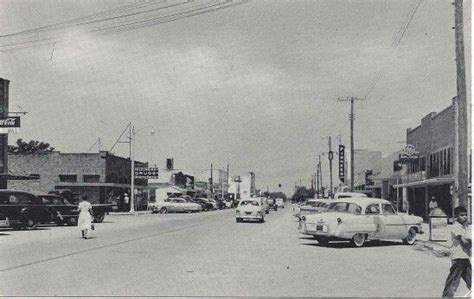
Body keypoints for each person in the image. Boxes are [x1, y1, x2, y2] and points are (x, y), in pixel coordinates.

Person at [442, 206, 471, 297]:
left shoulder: (463, 227)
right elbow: (464, 242)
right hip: (458, 257)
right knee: (453, 281)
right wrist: (470, 242)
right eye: (462, 215)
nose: (465, 217)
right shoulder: (456, 227)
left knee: (471, 279)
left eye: (466, 215)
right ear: (456, 216)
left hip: (464, 257)